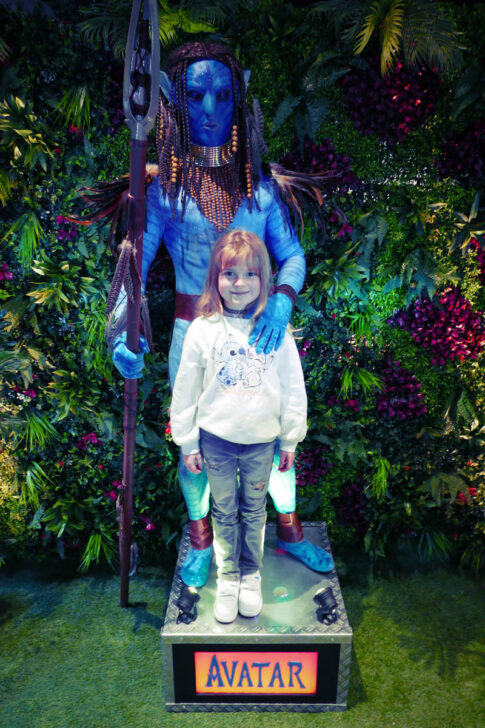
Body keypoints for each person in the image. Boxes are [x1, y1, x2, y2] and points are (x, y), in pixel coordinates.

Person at [110, 41, 334, 587]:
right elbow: (132, 267)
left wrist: (281, 299)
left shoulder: (260, 190)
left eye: (222, 95)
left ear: (239, 98)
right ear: (174, 103)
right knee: (192, 442)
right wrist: (123, 334)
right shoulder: (164, 194)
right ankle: (200, 540)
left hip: (262, 335)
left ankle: (289, 530)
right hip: (193, 336)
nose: (210, 110)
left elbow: (293, 256)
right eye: (195, 96)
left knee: (273, 442)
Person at [171, 230, 307, 623]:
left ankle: (251, 576)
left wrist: (289, 440)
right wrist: (187, 442)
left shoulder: (275, 330)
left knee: (254, 511)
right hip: (216, 441)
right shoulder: (202, 330)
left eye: (250, 274)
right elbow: (186, 390)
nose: (239, 283)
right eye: (229, 273)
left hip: (261, 443)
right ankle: (228, 577)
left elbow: (293, 388)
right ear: (215, 277)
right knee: (224, 511)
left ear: (264, 279)